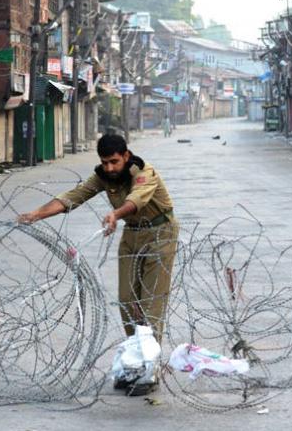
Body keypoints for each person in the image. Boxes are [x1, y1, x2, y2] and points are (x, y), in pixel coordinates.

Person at [19, 134, 179, 396]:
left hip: (160, 233)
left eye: (114, 162)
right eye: (104, 163)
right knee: (128, 301)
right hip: (132, 234)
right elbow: (74, 196)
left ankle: (149, 370)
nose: (110, 168)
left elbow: (137, 198)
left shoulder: (143, 172)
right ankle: (133, 362)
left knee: (151, 303)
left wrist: (115, 214)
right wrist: (37, 214)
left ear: (126, 156)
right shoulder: (103, 177)